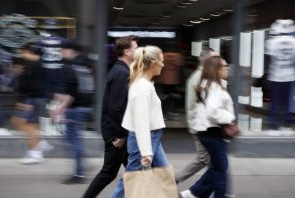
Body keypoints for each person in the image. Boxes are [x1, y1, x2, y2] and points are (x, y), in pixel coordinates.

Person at [83, 35, 138, 198]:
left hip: (120, 132)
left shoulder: (122, 69)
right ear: (127, 52)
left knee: (137, 171)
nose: (138, 51)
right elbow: (116, 107)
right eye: (136, 48)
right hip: (117, 134)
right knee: (109, 172)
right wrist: (120, 135)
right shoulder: (121, 73)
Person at [110, 45, 167, 198]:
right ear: (153, 63)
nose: (163, 64)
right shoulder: (142, 88)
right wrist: (146, 151)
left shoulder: (144, 85)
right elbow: (141, 122)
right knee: (132, 180)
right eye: (161, 61)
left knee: (163, 177)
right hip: (146, 138)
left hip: (151, 137)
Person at [180, 56, 234, 198]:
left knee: (218, 167)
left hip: (209, 132)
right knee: (220, 169)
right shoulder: (213, 87)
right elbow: (213, 112)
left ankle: (195, 192)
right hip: (212, 132)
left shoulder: (211, 85)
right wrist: (230, 117)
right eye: (225, 65)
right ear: (216, 69)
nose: (228, 68)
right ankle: (201, 193)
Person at [50, 40, 94, 184]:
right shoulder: (87, 65)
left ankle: (79, 174)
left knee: (73, 140)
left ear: (72, 51)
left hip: (75, 108)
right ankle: (81, 165)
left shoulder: (71, 66)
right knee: (72, 139)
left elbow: (72, 92)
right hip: (85, 106)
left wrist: (59, 109)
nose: (60, 52)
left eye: (63, 49)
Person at [175, 47, 217, 184]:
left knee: (213, 161)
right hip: (201, 126)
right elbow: (204, 105)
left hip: (201, 125)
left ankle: (205, 189)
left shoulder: (200, 76)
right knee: (205, 159)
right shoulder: (201, 78)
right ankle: (177, 181)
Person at [10, 43, 53, 165]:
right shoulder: (36, 64)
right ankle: (40, 143)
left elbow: (35, 85)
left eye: (23, 52)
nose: (22, 55)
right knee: (29, 124)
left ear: (30, 52)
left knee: (26, 124)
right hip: (33, 98)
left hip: (33, 99)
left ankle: (36, 152)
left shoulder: (37, 65)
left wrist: (28, 102)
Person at [265, 19, 295, 136]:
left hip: (276, 75)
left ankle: (273, 126)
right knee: (287, 101)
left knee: (275, 101)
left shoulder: (271, 42)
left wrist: (269, 72)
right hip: (291, 75)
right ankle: (287, 126)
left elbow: (269, 60)